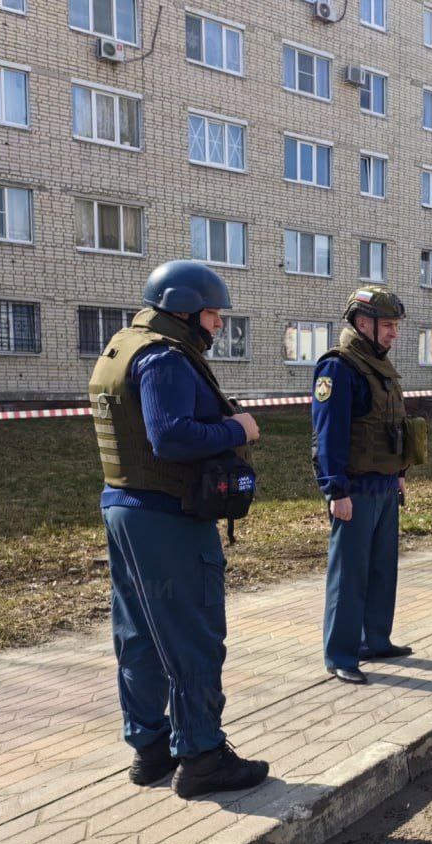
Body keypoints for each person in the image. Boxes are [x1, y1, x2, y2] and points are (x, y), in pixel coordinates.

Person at [89, 260, 268, 799]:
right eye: (214, 314)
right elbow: (169, 436)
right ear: (186, 309)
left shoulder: (126, 346)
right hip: (166, 517)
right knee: (193, 635)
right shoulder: (165, 358)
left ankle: (151, 751)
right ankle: (203, 757)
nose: (218, 325)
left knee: (139, 633)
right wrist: (238, 426)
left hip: (126, 507)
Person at [312, 286, 421, 684]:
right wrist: (335, 490)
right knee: (349, 575)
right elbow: (328, 436)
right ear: (363, 323)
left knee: (381, 570)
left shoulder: (380, 366)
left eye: (395, 325)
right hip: (354, 490)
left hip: (384, 485)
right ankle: (341, 653)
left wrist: (400, 474)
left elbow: (393, 427)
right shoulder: (339, 368)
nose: (395, 333)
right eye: (389, 325)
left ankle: (375, 639)